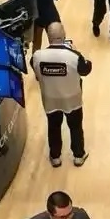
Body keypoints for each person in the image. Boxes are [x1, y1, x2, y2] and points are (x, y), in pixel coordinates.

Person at [31, 22, 92, 167]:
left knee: (53, 127)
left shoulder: (37, 56)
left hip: (50, 100)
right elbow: (86, 69)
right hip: (72, 100)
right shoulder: (74, 56)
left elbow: (35, 69)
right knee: (75, 127)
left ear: (49, 37)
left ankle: (55, 157)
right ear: (63, 35)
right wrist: (76, 51)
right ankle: (78, 156)